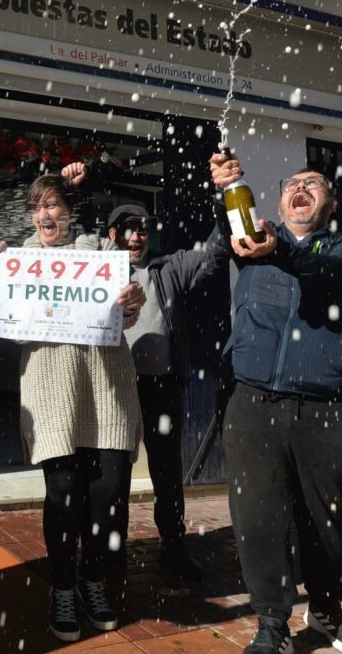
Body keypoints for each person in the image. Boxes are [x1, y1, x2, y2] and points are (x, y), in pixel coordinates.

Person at [209, 152, 342, 654]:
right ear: (280, 199)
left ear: (331, 203)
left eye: (314, 185)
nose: (300, 190)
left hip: (324, 409)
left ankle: (325, 609)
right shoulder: (252, 243)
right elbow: (231, 229)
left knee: (324, 519)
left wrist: (281, 250)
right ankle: (272, 624)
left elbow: (334, 276)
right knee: (257, 520)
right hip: (252, 404)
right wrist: (226, 187)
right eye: (292, 184)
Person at [0, 174, 146, 642]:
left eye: (53, 205)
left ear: (70, 212)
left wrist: (131, 302)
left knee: (107, 492)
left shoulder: (102, 254)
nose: (44, 214)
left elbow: (125, 314)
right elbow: (10, 329)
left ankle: (93, 580)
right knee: (62, 496)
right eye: (37, 207)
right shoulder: (19, 260)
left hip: (106, 390)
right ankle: (61, 586)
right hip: (52, 392)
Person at [63, 162, 224, 592]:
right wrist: (75, 190)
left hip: (161, 388)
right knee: (107, 474)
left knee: (167, 470)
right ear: (112, 235)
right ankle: (108, 554)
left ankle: (173, 546)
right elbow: (66, 239)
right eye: (129, 228)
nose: (138, 235)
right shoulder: (94, 266)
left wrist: (225, 199)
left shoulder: (168, 267)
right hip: (111, 387)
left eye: (144, 228)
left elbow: (215, 253)